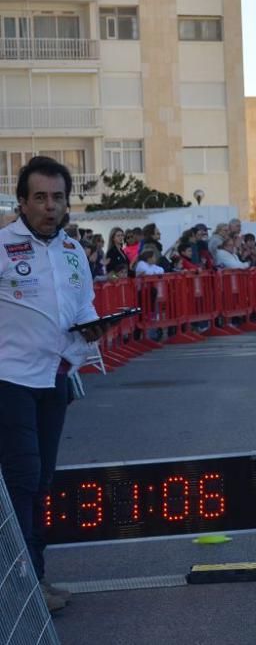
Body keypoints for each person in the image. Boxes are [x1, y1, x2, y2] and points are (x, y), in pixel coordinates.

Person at [0, 157, 110, 612]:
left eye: (58, 197)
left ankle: (35, 578)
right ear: (22, 201)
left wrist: (94, 326)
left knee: (42, 480)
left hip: (56, 377)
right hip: (9, 379)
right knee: (22, 479)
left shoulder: (73, 251)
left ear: (68, 202)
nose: (49, 206)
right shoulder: (2, 246)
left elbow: (82, 307)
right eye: (40, 197)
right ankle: (20, 587)